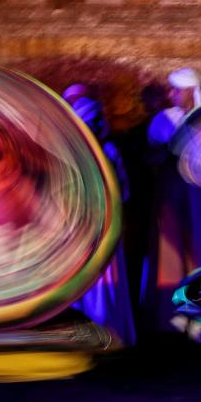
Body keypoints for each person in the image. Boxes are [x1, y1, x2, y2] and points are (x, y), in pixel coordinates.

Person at [142, 67, 201, 333]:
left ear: (191, 91)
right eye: (171, 90)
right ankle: (170, 312)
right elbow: (154, 154)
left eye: (177, 90)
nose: (172, 95)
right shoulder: (164, 119)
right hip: (173, 191)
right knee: (172, 248)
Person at [63, 85, 137, 345]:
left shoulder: (108, 151)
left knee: (103, 279)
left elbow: (123, 190)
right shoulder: (75, 154)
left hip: (102, 225)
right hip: (83, 227)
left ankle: (106, 330)